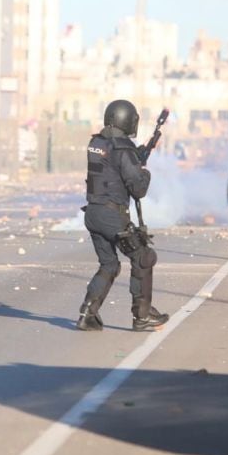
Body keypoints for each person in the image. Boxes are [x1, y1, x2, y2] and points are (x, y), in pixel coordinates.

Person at [77, 100, 170, 332]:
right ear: (126, 120)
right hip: (112, 216)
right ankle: (142, 315)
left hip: (93, 213)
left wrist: (137, 156)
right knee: (143, 257)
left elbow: (112, 168)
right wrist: (143, 171)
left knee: (109, 264)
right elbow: (138, 188)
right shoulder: (122, 148)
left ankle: (88, 313)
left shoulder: (97, 142)